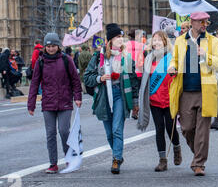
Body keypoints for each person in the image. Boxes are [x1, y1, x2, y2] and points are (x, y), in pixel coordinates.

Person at [168, 12, 218, 176]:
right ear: (192, 22)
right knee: (186, 128)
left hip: (205, 89)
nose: (204, 25)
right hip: (185, 90)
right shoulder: (180, 40)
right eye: (201, 22)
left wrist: (205, 55)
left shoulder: (212, 40)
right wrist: (171, 67)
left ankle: (199, 163)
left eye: (206, 22)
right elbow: (175, 60)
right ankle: (198, 153)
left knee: (202, 130)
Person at [84, 23, 139, 174]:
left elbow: (134, 82)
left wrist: (135, 103)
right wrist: (100, 78)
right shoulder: (98, 57)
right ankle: (118, 154)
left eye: (122, 37)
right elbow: (87, 77)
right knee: (109, 133)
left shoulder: (126, 58)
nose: (121, 40)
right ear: (110, 40)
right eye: (117, 37)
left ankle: (116, 159)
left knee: (116, 129)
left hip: (120, 95)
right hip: (104, 96)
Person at [27, 33, 82, 174]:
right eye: (48, 46)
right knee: (50, 134)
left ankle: (69, 158)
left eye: (53, 46)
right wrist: (31, 104)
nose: (51, 49)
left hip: (64, 102)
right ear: (45, 47)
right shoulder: (41, 62)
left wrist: (78, 96)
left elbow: (75, 79)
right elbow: (34, 83)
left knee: (64, 131)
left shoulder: (66, 60)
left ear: (58, 46)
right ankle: (53, 163)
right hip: (48, 103)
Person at [138, 31, 182, 172]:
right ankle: (162, 160)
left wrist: (175, 72)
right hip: (154, 99)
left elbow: (179, 75)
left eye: (159, 40)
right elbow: (141, 76)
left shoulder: (172, 57)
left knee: (170, 128)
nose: (156, 43)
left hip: (169, 99)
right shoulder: (148, 58)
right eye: (154, 40)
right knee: (159, 128)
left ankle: (176, 147)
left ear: (164, 42)